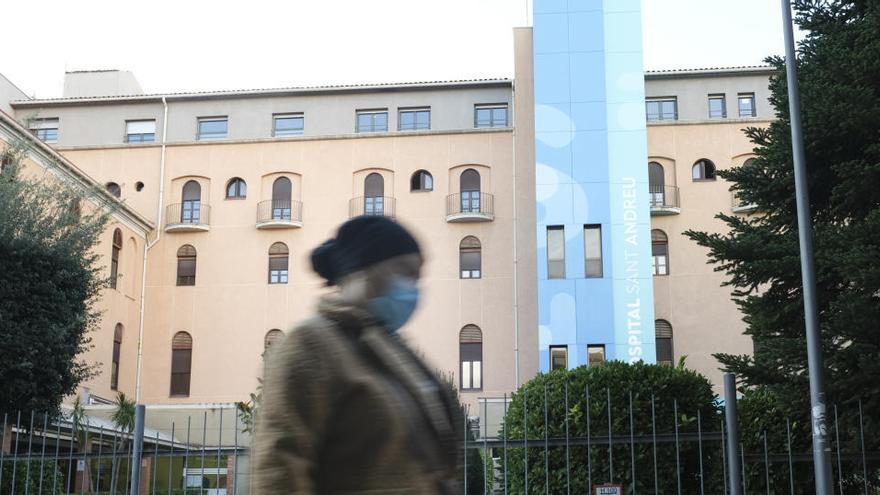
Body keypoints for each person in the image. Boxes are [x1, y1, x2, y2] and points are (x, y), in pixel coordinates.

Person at [252, 216, 461, 494]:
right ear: (361, 272)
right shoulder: (310, 344)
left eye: (417, 276)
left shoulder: (393, 348)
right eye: (404, 272)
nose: (413, 288)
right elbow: (279, 465)